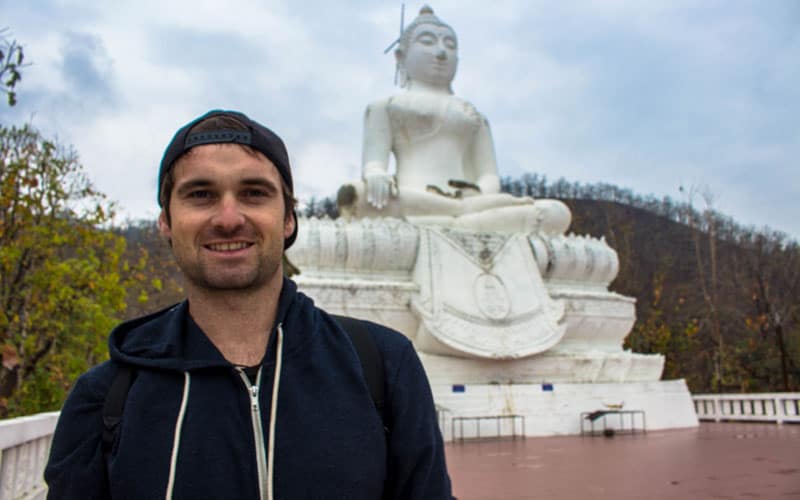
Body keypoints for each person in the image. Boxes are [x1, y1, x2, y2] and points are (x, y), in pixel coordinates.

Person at [44, 109, 453, 499]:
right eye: (201, 194)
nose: (227, 217)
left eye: (254, 193)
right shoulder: (106, 398)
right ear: (166, 221)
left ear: (289, 218)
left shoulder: (382, 367)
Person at [337, 5, 570, 235]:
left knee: (555, 213)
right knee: (357, 194)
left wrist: (480, 194)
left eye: (450, 45)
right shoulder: (385, 107)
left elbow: (489, 176)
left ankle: (451, 221)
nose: (441, 52)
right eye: (428, 42)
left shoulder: (474, 116)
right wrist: (377, 176)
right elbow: (374, 164)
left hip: (471, 204)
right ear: (401, 55)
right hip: (414, 198)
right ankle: (460, 222)